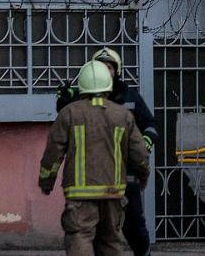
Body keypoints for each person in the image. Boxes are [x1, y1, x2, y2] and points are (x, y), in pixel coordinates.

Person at [39, 60, 149, 256]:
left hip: (80, 197)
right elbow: (140, 154)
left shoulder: (69, 114)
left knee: (79, 239)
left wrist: (46, 182)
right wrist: (143, 177)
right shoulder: (122, 115)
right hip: (113, 194)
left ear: (82, 85)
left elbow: (53, 154)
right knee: (110, 243)